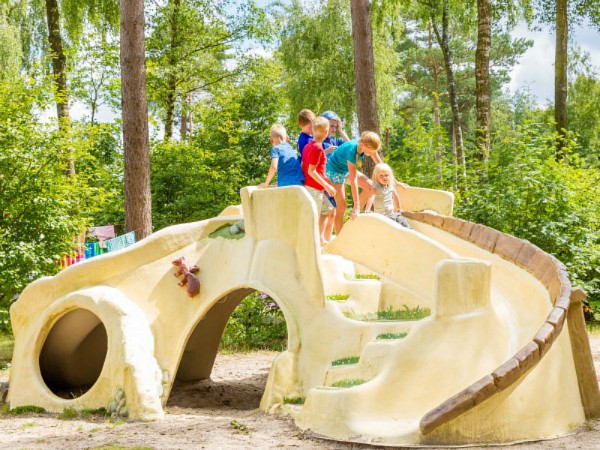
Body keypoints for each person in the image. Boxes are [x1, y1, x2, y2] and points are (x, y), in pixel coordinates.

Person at [326, 131, 383, 234]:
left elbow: (382, 167)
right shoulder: (352, 150)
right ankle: (340, 237)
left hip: (345, 169)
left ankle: (352, 219)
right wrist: (356, 204)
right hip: (335, 170)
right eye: (370, 151)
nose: (372, 154)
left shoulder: (367, 144)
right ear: (362, 145)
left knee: (370, 186)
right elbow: (353, 180)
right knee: (342, 206)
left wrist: (394, 181)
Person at [302, 117, 337, 245]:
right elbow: (312, 171)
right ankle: (312, 244)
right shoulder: (317, 148)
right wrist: (327, 185)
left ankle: (320, 238)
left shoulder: (308, 146)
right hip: (314, 189)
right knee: (313, 217)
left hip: (315, 187)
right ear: (325, 131)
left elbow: (303, 165)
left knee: (328, 208)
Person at [365, 163, 411, 228]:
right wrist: (367, 209)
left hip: (391, 213)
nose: (384, 178)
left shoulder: (390, 186)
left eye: (386, 175)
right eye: (381, 176)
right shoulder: (376, 187)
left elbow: (395, 197)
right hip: (381, 215)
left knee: (402, 220)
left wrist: (399, 208)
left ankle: (411, 231)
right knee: (394, 225)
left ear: (390, 176)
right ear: (376, 177)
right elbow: (371, 197)